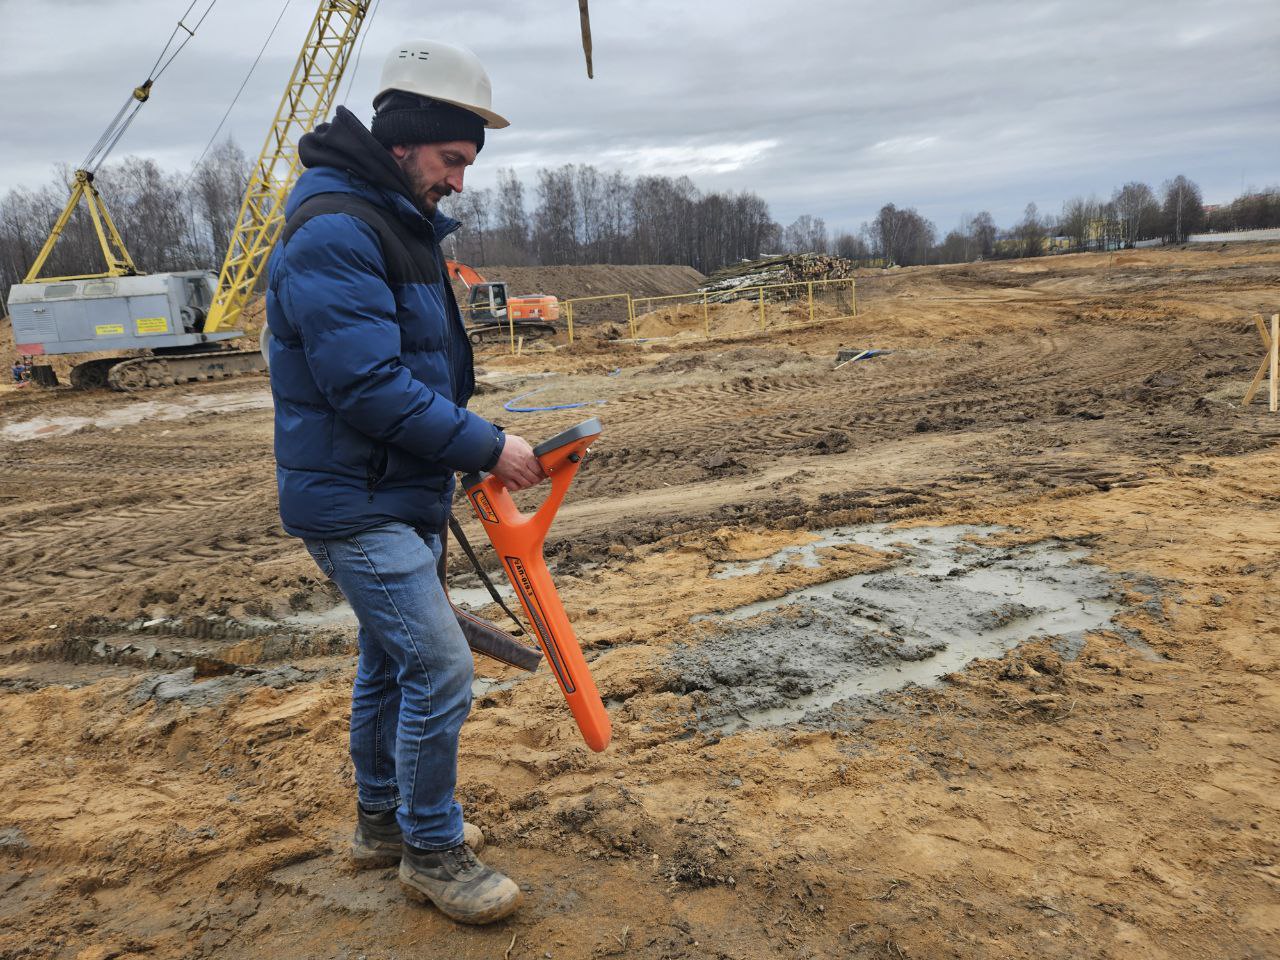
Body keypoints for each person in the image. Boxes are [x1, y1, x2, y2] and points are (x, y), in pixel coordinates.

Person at [265, 39, 543, 926]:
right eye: (452, 159)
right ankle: (431, 848)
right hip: (356, 502)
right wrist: (483, 445)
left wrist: (456, 445)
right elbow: (367, 385)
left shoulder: (394, 223)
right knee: (440, 666)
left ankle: (381, 822)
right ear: (403, 142)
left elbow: (415, 374)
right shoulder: (341, 229)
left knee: (390, 662)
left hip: (395, 487)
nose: (460, 180)